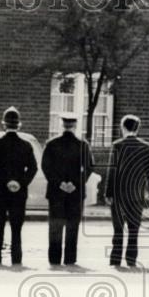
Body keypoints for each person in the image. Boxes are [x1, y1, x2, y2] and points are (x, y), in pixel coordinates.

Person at [105, 114, 149, 267]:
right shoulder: (145, 147)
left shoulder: (117, 145)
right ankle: (131, 260)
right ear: (138, 128)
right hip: (136, 194)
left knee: (118, 229)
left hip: (118, 194)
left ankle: (115, 260)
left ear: (123, 127)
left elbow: (112, 171)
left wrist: (108, 193)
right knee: (133, 229)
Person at [41, 114, 94, 266]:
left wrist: (59, 183)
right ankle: (70, 258)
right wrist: (75, 183)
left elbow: (45, 166)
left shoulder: (51, 144)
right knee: (72, 225)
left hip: (56, 192)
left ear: (62, 125)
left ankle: (54, 258)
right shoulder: (83, 145)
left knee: (55, 225)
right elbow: (89, 167)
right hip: (75, 193)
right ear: (75, 126)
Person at [0, 107, 37, 265]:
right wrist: (20, 183)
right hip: (19, 191)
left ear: (4, 125)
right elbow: (33, 168)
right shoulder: (26, 145)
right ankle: (16, 258)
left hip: (0, 189)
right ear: (19, 125)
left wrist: (6, 181)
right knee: (16, 226)